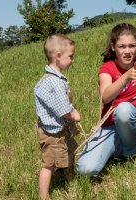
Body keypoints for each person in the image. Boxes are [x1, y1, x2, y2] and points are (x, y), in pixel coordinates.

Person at [77, 23, 136, 177]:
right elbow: (106, 97)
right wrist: (125, 77)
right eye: (122, 46)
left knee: (123, 109)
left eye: (132, 46)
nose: (128, 51)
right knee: (85, 170)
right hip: (111, 128)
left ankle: (130, 156)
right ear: (113, 47)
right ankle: (116, 151)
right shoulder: (107, 68)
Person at [34, 34, 81, 199]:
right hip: (52, 133)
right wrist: (73, 114)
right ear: (58, 56)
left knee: (68, 153)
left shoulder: (56, 79)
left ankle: (68, 179)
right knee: (49, 164)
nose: (72, 60)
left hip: (60, 129)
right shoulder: (53, 82)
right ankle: (44, 195)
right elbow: (62, 109)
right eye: (71, 56)